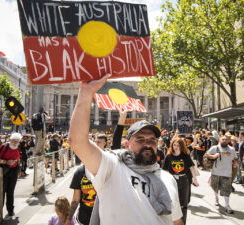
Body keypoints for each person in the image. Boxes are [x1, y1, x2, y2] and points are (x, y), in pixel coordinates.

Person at [69, 74, 183, 225]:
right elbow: (77, 141)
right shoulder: (112, 166)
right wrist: (85, 92)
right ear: (127, 144)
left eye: (152, 140)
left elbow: (176, 220)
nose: (147, 144)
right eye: (140, 139)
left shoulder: (168, 179)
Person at [162, 138, 199, 224]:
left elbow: (191, 167)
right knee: (173, 202)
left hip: (184, 180)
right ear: (172, 145)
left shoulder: (185, 155)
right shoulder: (168, 156)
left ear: (181, 146)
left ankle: (183, 222)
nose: (176, 147)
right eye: (174, 145)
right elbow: (165, 170)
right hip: (172, 180)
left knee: (183, 204)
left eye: (178, 145)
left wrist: (195, 179)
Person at [205, 136, 237, 214]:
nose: (224, 141)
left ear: (228, 141)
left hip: (227, 173)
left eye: (226, 140)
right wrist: (213, 156)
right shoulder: (214, 148)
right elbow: (206, 155)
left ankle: (227, 205)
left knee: (226, 190)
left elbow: (235, 159)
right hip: (215, 172)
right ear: (220, 140)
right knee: (215, 187)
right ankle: (216, 198)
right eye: (223, 139)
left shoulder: (232, 149)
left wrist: (235, 164)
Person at [0, 132, 22, 217]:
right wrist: (6, 162)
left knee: (11, 191)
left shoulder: (19, 147)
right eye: (13, 140)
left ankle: (10, 210)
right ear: (10, 140)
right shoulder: (4, 146)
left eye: (17, 141)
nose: (15, 142)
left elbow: (18, 158)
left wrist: (18, 168)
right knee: (2, 191)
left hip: (14, 170)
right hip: (4, 171)